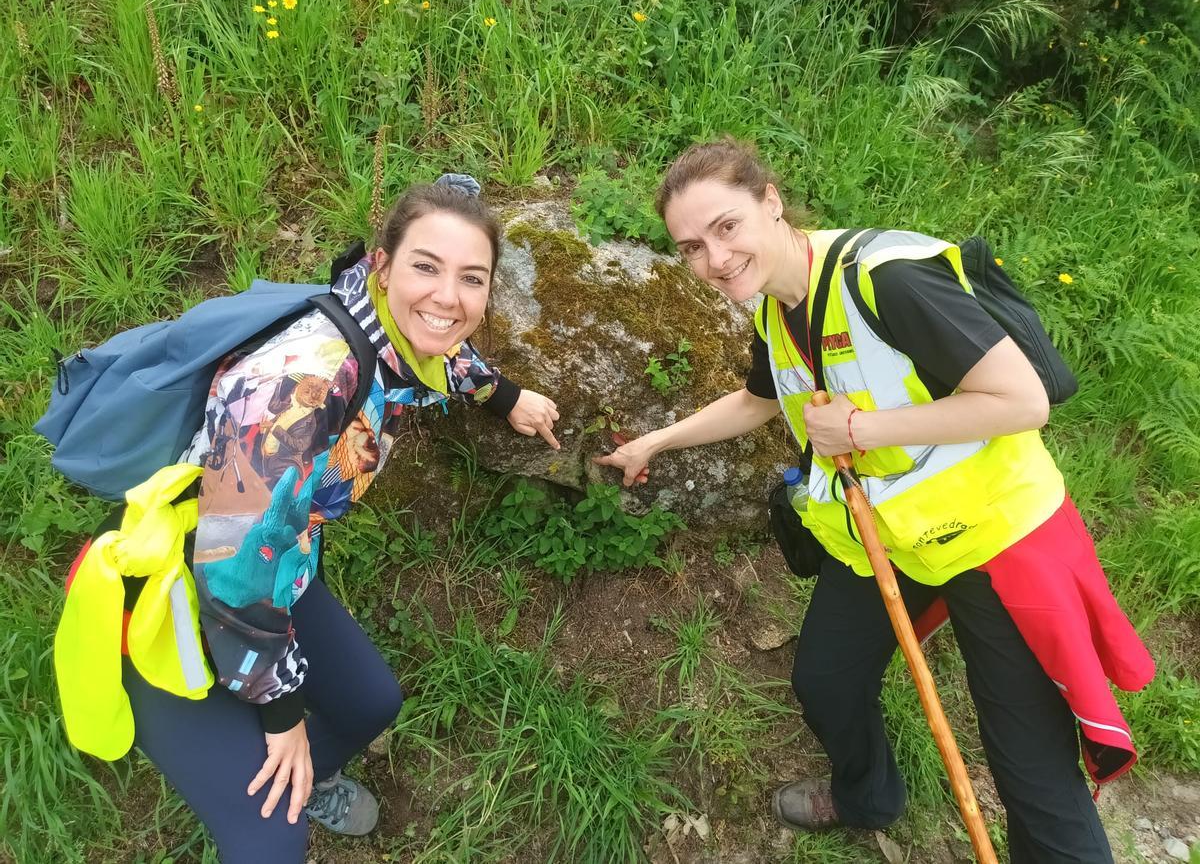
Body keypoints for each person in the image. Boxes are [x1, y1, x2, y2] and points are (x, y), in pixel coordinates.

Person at [594, 139, 1153, 862]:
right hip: (895, 538)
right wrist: (654, 444)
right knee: (825, 680)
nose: (714, 260)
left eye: (726, 227)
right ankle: (868, 797)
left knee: (1031, 772)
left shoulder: (885, 280)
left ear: (770, 202)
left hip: (999, 541)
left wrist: (862, 428)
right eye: (691, 247)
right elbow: (759, 400)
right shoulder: (774, 308)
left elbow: (1024, 399)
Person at [86, 175, 560, 863]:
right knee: (271, 841)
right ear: (383, 263)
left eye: (472, 278)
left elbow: (441, 348)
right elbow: (231, 571)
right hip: (173, 600)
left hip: (273, 562)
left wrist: (505, 395)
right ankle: (284, 778)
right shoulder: (300, 383)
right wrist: (281, 717)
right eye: (426, 267)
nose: (449, 297)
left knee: (371, 703)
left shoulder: (391, 333)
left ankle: (313, 778)